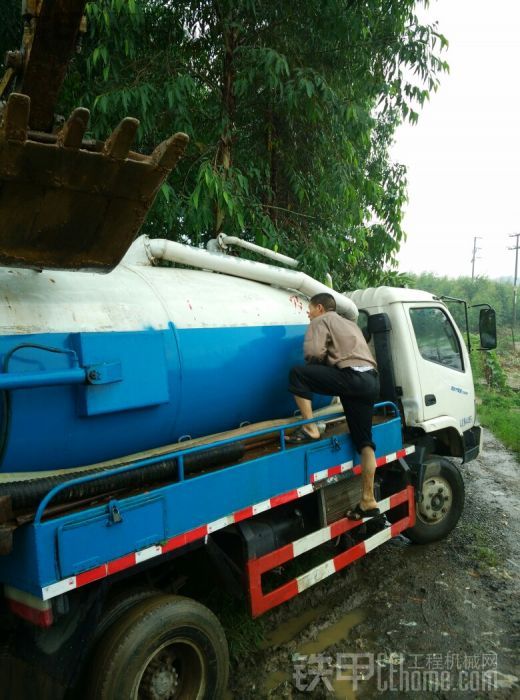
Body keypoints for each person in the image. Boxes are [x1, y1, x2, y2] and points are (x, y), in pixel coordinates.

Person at [287, 292, 380, 520]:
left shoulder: (321, 320)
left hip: (351, 378)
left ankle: (309, 428)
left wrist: (316, 367)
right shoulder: (350, 324)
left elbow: (313, 353)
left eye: (309, 309)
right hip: (371, 381)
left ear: (320, 308)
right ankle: (368, 500)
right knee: (365, 443)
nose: (308, 314)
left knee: (297, 374)